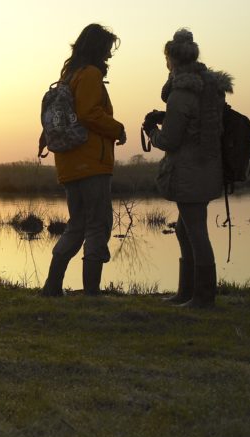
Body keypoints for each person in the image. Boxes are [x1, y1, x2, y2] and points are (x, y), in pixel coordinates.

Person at [142, 29, 233, 308]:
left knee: (196, 233)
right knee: (186, 230)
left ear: (171, 60)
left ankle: (202, 297)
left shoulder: (181, 93)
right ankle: (188, 293)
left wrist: (151, 131)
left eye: (166, 60)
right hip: (207, 168)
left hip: (189, 171)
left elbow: (171, 139)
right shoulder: (209, 88)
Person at [41, 23, 127, 297]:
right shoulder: (89, 75)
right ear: (98, 48)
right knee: (98, 225)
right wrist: (118, 128)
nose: (110, 56)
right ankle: (92, 293)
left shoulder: (69, 76)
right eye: (107, 49)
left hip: (69, 164)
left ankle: (52, 287)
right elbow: (90, 114)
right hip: (91, 163)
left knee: (77, 225)